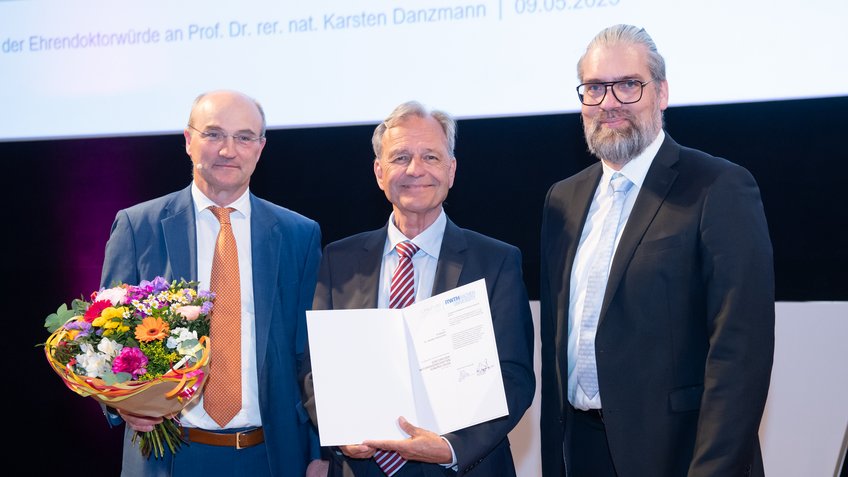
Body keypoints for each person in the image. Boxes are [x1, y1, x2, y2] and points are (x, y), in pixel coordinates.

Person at [539, 24, 775, 477]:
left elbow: (739, 353)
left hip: (680, 458)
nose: (609, 103)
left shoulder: (718, 187)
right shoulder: (561, 200)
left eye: (628, 85)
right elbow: (555, 347)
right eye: (594, 88)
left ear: (661, 93)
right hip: (582, 455)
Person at [301, 100, 535, 476]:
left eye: (430, 156)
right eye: (400, 157)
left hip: (463, 467)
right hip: (365, 468)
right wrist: (340, 430)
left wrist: (449, 447)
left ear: (451, 170)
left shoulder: (496, 262)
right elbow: (314, 367)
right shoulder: (338, 259)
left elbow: (514, 377)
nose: (415, 170)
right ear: (379, 172)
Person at [100, 89, 326, 477]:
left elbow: (312, 353)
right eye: (214, 134)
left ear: (260, 147)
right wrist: (121, 400)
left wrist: (321, 452)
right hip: (170, 457)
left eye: (243, 137)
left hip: (272, 458)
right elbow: (106, 338)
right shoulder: (140, 227)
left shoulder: (298, 234)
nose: (228, 150)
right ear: (189, 141)